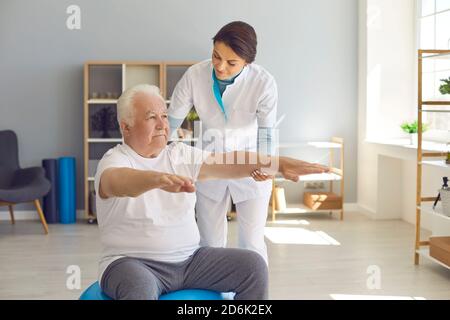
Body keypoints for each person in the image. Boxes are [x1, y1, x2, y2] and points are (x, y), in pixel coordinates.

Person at [95, 84, 328, 300]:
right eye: (151, 117)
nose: (162, 124)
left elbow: (230, 162)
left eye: (164, 116)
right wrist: (155, 179)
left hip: (190, 261)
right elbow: (119, 182)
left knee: (253, 267)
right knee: (139, 288)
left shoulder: (179, 154)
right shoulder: (113, 160)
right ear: (126, 126)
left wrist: (279, 164)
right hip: (132, 263)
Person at [168, 21, 278, 264]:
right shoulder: (195, 75)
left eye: (231, 63)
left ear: (247, 63)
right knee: (209, 241)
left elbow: (267, 131)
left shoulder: (263, 82)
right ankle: (215, 297)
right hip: (210, 160)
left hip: (249, 161)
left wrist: (266, 165)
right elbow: (172, 120)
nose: (220, 66)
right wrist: (154, 156)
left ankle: (252, 296)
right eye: (216, 56)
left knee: (252, 242)